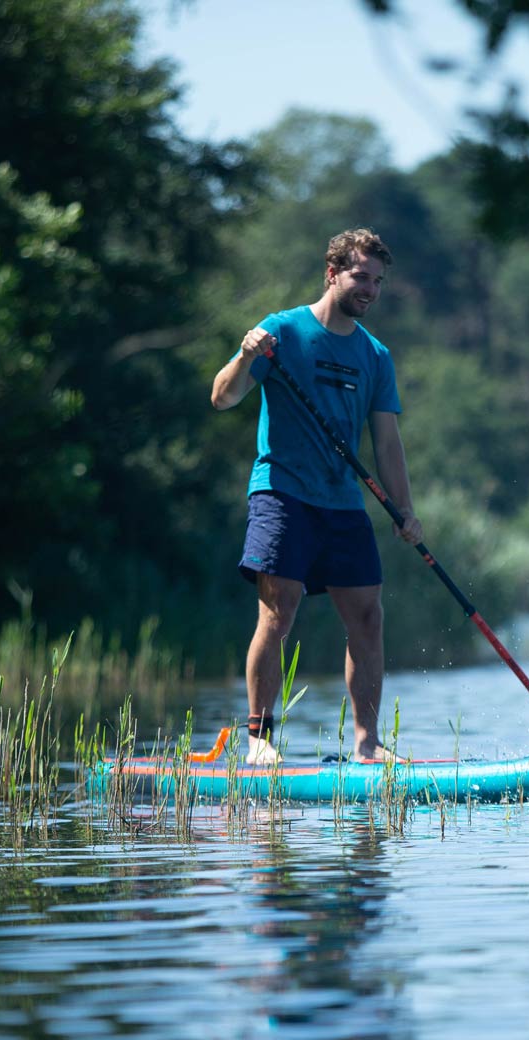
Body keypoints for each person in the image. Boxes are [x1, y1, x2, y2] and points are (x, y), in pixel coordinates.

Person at [210, 227, 423, 763]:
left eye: (377, 281)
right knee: (279, 611)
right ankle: (258, 740)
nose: (369, 289)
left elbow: (388, 442)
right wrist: (244, 355)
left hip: (342, 502)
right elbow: (222, 398)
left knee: (369, 617)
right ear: (332, 274)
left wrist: (405, 509)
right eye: (360, 276)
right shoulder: (281, 331)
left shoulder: (376, 356)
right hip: (282, 494)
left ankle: (368, 744)